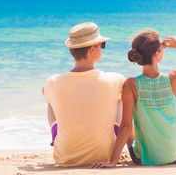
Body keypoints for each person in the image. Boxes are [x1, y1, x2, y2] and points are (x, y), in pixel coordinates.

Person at [91, 30, 176, 168]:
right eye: (163, 47)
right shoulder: (174, 78)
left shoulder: (131, 85)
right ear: (157, 54)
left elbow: (126, 127)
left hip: (145, 158)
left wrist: (113, 161)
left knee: (128, 123)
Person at [42, 22, 125, 167]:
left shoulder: (53, 81)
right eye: (102, 46)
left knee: (49, 95)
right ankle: (117, 132)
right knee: (123, 96)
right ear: (93, 49)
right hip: (105, 154)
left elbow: (45, 91)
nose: (103, 49)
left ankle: (55, 135)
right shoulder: (114, 80)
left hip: (65, 157)